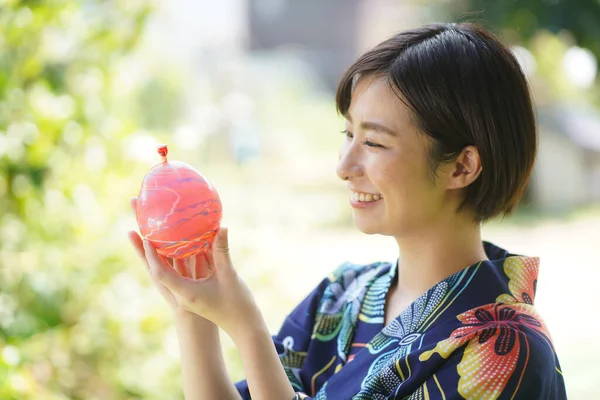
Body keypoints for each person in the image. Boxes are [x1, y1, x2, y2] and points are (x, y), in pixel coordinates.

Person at [128, 22, 567, 399]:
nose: (344, 166)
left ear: (462, 165)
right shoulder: (340, 298)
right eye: (348, 134)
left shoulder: (507, 348)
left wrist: (248, 330)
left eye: (374, 143)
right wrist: (192, 310)